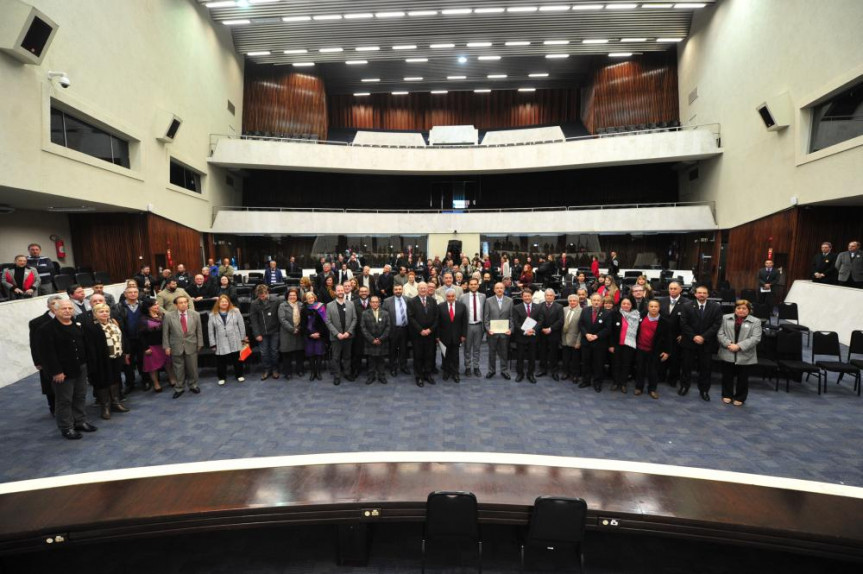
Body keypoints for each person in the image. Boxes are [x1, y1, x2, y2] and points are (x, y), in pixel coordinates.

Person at [38, 299, 98, 439]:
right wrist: (56, 371)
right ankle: (66, 427)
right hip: (62, 371)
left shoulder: (77, 325)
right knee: (64, 400)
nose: (67, 311)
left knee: (80, 395)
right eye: (63, 309)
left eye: (70, 308)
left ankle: (80, 421)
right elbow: (47, 354)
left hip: (80, 367)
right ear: (55, 310)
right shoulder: (46, 329)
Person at [83, 303, 130, 420]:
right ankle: (105, 406)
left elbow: (120, 338)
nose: (104, 313)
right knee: (102, 382)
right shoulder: (91, 326)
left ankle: (115, 402)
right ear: (94, 314)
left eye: (106, 311)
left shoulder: (113, 323)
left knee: (115, 379)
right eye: (101, 311)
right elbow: (90, 346)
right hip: (101, 360)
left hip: (116, 357)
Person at [679, 285, 723, 401]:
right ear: (695, 294)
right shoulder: (686, 306)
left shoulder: (715, 307)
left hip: (707, 342)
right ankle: (684, 386)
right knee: (686, 366)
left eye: (704, 293)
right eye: (699, 293)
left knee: (706, 368)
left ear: (708, 295)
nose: (701, 295)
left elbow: (717, 324)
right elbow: (683, 323)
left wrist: (703, 337)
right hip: (689, 342)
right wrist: (694, 337)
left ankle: (704, 390)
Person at [717, 299, 762, 406]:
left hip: (745, 354)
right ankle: (727, 395)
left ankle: (740, 397)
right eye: (738, 308)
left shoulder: (756, 321)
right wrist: (729, 344)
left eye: (744, 308)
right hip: (728, 351)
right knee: (727, 376)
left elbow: (756, 338)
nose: (741, 310)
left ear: (749, 310)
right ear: (735, 309)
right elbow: (720, 334)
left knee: (743, 378)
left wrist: (738, 346)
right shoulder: (725, 318)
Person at [162, 295, 203, 398]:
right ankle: (179, 387)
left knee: (192, 368)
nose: (184, 304)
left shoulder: (195, 314)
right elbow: (165, 333)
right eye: (181, 303)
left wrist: (200, 343)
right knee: (178, 368)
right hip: (175, 346)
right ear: (176, 305)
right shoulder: (168, 316)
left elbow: (199, 331)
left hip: (191, 345)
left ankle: (193, 385)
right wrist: (166, 346)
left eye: (185, 302)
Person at [29, 295, 64, 415]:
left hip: (64, 358)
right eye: (54, 303)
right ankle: (53, 408)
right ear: (48, 305)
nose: (57, 306)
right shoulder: (37, 322)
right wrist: (37, 361)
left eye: (60, 303)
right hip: (47, 359)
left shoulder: (68, 318)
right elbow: (34, 344)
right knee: (50, 385)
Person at [634, 300, 671, 399]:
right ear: (648, 307)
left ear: (659, 308)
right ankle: (639, 387)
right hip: (641, 348)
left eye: (656, 306)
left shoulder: (664, 322)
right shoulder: (641, 317)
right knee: (640, 369)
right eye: (651, 306)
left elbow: (668, 338)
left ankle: (652, 389)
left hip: (654, 350)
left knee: (653, 371)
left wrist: (667, 351)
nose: (653, 308)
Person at [208, 294, 247, 386]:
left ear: (229, 302)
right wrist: (212, 343)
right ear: (218, 303)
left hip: (235, 338)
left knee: (237, 359)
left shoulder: (236, 311)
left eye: (226, 301)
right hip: (220, 340)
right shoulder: (212, 314)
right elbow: (210, 331)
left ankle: (239, 375)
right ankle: (222, 377)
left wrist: (243, 338)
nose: (224, 303)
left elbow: (241, 325)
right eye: (222, 302)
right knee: (221, 361)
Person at [577, 293, 612, 392]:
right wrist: (586, 334)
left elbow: (608, 329)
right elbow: (581, 324)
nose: (596, 302)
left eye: (598, 300)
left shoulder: (607, 313)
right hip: (586, 341)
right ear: (591, 301)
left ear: (601, 302)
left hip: (599, 343)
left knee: (598, 364)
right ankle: (586, 381)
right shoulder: (585, 310)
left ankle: (597, 382)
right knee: (586, 362)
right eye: (594, 300)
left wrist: (596, 336)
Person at [114, 284, 144, 393]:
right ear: (125, 294)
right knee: (128, 363)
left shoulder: (142, 304)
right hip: (126, 339)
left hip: (141, 338)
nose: (133, 294)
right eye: (130, 292)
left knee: (143, 360)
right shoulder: (118, 307)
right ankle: (130, 383)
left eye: (135, 292)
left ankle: (145, 381)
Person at [325, 284, 357, 386]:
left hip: (348, 336)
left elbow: (354, 319)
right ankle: (337, 376)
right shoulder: (329, 305)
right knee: (336, 357)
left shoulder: (351, 304)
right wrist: (337, 333)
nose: (340, 292)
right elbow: (328, 321)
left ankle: (347, 373)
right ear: (335, 292)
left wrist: (348, 332)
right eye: (338, 290)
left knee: (347, 356)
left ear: (344, 291)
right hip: (336, 337)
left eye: (342, 290)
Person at [408, 282, 438, 387]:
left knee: (429, 355)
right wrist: (421, 330)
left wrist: (430, 330)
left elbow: (436, 318)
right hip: (417, 335)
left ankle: (428, 374)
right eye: (421, 288)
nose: (423, 290)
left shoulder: (433, 301)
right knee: (418, 356)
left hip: (430, 334)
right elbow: (411, 318)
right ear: (418, 289)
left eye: (425, 288)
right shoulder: (412, 301)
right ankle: (419, 376)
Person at [608, 297, 641, 394]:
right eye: (624, 303)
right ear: (620, 304)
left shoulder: (636, 315)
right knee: (615, 364)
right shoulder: (614, 314)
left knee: (626, 364)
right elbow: (611, 331)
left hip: (629, 344)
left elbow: (639, 331)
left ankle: (623, 383)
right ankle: (615, 382)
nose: (626, 305)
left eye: (628, 304)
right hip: (616, 344)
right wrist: (611, 345)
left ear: (632, 305)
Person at [658, 281, 686, 388]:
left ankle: (673, 379)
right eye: (671, 288)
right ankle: (661, 376)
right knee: (662, 356)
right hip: (663, 334)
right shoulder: (662, 301)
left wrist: (683, 334)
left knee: (675, 358)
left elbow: (689, 320)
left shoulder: (686, 302)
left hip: (677, 335)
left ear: (680, 290)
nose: (673, 290)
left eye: (675, 288)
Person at [250, 284, 281, 380]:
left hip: (275, 331)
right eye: (260, 296)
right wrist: (257, 334)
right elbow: (254, 321)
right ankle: (266, 370)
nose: (262, 297)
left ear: (268, 293)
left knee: (274, 352)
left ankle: (275, 370)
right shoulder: (254, 304)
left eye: (263, 295)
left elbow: (280, 316)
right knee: (264, 353)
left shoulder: (276, 301)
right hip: (262, 333)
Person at [483, 282, 513, 380]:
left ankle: (504, 371)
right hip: (492, 332)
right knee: (491, 352)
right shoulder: (488, 301)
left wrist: (511, 329)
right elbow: (486, 318)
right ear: (494, 290)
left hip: (505, 332)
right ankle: (491, 370)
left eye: (501, 288)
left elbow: (511, 317)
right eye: (497, 288)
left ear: (504, 289)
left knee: (504, 353)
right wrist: (488, 329)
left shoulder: (510, 301)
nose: (499, 290)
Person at [512, 289, 543, 383]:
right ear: (522, 297)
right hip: (521, 336)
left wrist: (534, 329)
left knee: (532, 357)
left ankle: (530, 374)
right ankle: (520, 374)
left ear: (531, 296)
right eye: (525, 296)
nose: (527, 298)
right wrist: (524, 331)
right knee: (520, 356)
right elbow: (516, 322)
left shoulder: (538, 307)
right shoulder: (516, 307)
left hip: (533, 336)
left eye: (528, 296)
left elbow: (541, 321)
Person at [437, 288, 467, 382]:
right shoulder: (440, 306)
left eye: (452, 296)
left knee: (455, 356)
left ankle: (455, 373)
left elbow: (464, 322)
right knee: (445, 355)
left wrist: (463, 335)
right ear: (446, 297)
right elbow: (437, 322)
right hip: (443, 336)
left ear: (455, 296)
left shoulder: (461, 306)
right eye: (448, 296)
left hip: (457, 336)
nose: (450, 298)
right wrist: (437, 336)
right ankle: (446, 372)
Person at [383, 283, 411, 376]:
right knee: (393, 350)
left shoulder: (408, 299)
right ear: (393, 290)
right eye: (396, 289)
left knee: (404, 349)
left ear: (402, 290)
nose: (398, 291)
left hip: (405, 329)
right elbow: (384, 316)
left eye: (399, 289)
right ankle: (393, 367)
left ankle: (403, 366)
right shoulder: (387, 301)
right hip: (393, 329)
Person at [361, 296, 390, 384]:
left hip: (382, 341)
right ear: (370, 303)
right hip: (370, 342)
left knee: (381, 360)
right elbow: (363, 327)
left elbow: (388, 327)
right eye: (373, 302)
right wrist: (372, 339)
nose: (374, 303)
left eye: (376, 302)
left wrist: (381, 339)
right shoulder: (365, 313)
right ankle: (371, 376)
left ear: (379, 303)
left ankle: (381, 376)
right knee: (371, 360)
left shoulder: (385, 313)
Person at [460, 278, 486, 377]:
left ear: (478, 285)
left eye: (475, 284)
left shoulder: (483, 296)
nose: (473, 286)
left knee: (477, 348)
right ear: (468, 286)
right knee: (467, 348)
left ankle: (476, 367)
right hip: (467, 327)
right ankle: (467, 367)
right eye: (471, 284)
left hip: (479, 326)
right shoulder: (463, 297)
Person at [278, 288, 305, 380]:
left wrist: (299, 328)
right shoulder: (282, 305)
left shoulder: (301, 305)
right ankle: (287, 372)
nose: (293, 297)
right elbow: (282, 319)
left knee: (299, 353)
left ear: (297, 296)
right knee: (287, 354)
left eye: (294, 295)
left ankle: (299, 370)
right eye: (291, 295)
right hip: (287, 333)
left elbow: (305, 318)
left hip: (299, 332)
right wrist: (292, 329)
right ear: (287, 296)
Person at [537, 289, 564, 380]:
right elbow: (537, 320)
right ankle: (542, 369)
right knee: (542, 352)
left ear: (554, 296)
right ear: (544, 296)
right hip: (542, 333)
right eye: (547, 295)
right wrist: (542, 329)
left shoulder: (559, 307)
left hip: (554, 333)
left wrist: (550, 329)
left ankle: (554, 371)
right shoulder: (539, 306)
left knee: (554, 353)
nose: (549, 297)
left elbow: (560, 321)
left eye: (551, 295)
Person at [301, 291, 327, 381]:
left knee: (319, 354)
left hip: (320, 334)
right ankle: (313, 372)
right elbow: (303, 325)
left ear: (314, 298)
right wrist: (310, 334)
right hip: (309, 335)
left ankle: (318, 372)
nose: (310, 299)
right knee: (311, 355)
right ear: (306, 300)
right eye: (308, 298)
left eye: (312, 298)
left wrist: (319, 333)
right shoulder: (303, 310)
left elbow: (325, 322)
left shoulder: (321, 307)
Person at [560, 294, 583, 382]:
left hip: (575, 340)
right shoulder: (564, 309)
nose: (572, 302)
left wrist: (578, 341)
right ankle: (566, 373)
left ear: (578, 302)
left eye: (574, 301)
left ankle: (575, 375)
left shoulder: (582, 311)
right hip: (564, 338)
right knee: (565, 358)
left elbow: (582, 328)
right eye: (570, 301)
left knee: (575, 359)